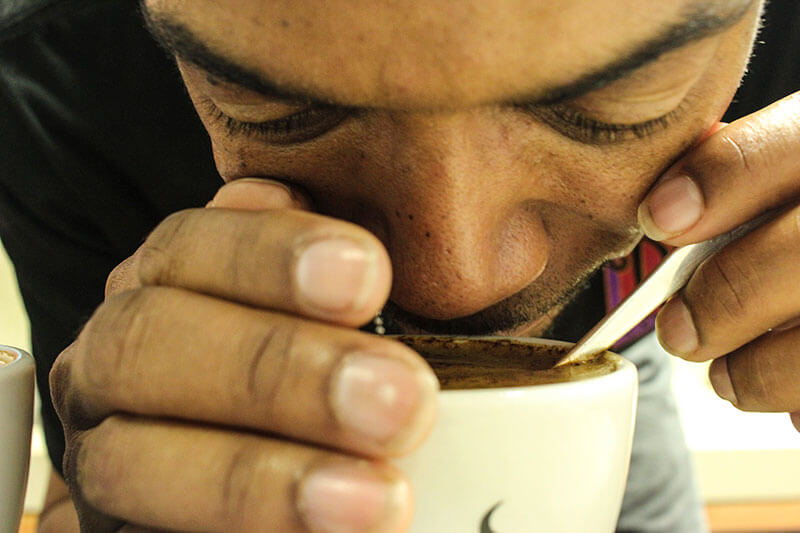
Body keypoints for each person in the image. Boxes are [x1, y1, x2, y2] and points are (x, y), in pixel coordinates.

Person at [0, 0, 798, 531]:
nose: (454, 283)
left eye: (619, 100)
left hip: (617, 349)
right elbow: (87, 486)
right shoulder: (53, 74)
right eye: (270, 106)